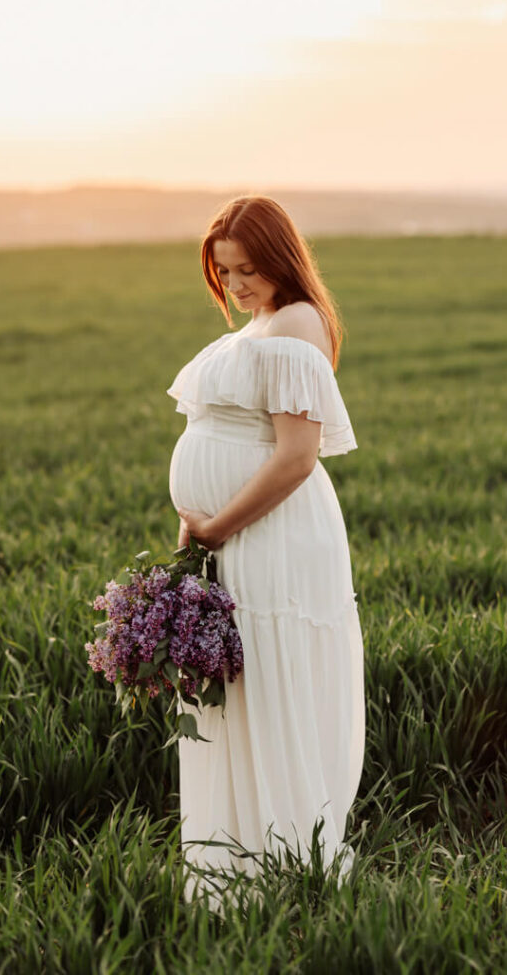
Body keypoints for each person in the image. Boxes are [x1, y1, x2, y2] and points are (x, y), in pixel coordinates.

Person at [166, 194, 365, 908]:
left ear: (280, 259)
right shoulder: (261, 322)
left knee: (270, 686)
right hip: (233, 535)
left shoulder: (297, 322)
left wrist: (218, 526)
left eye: (249, 268)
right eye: (225, 273)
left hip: (272, 536)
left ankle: (285, 867)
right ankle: (240, 866)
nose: (238, 285)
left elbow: (295, 458)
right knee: (237, 693)